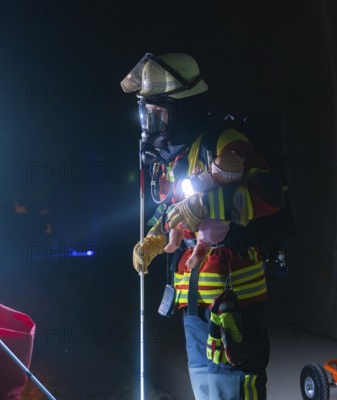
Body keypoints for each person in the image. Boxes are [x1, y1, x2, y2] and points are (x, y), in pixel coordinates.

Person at [122, 53, 283, 400]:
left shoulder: (223, 141)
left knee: (235, 388)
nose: (150, 124)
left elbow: (268, 194)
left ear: (185, 109)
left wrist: (206, 204)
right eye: (145, 114)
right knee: (206, 390)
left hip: (233, 301)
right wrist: (154, 238)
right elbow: (171, 212)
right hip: (193, 302)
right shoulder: (175, 157)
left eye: (158, 114)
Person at [164, 150, 245, 269]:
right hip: (216, 223)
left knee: (179, 221)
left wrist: (195, 176)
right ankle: (192, 251)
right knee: (204, 240)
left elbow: (197, 184)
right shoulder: (236, 188)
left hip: (203, 216)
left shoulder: (210, 179)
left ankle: (177, 243)